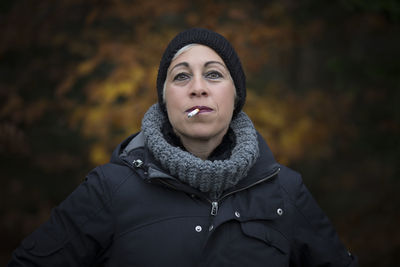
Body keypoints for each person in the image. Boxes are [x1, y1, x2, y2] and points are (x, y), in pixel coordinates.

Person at [8, 28, 358, 266]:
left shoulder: (286, 191)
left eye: (214, 74)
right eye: (181, 76)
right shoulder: (109, 188)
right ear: (164, 101)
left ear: (235, 97)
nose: (198, 88)